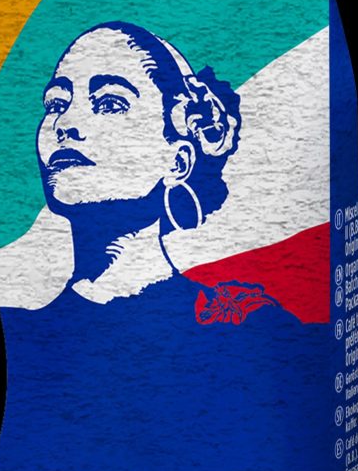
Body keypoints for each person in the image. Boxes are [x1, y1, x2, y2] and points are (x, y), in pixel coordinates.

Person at [37, 23, 241, 304]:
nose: (64, 124)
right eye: (56, 105)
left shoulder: (237, 318)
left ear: (178, 161)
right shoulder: (4, 324)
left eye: (110, 104)